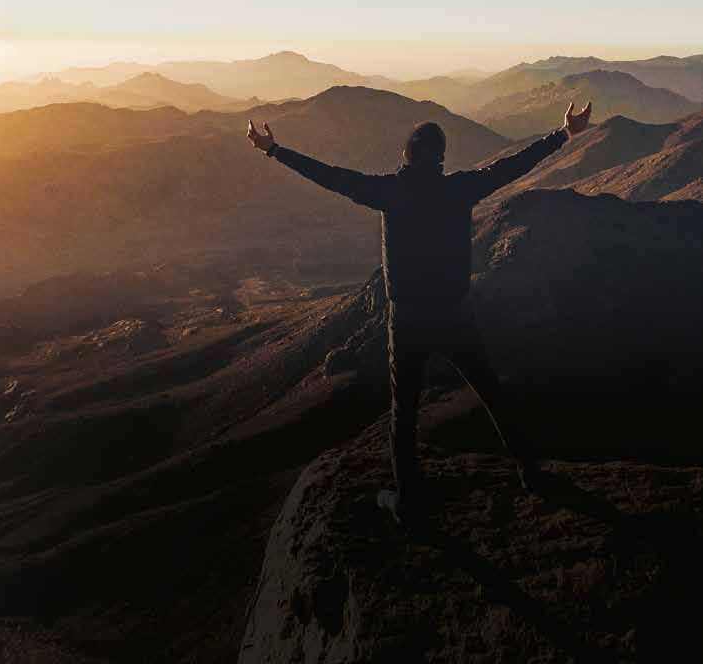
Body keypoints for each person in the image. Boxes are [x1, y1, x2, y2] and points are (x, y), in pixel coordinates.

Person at [247, 99, 592, 526]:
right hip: (455, 315)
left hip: (408, 320)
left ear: (406, 154)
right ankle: (530, 473)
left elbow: (331, 177)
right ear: (441, 157)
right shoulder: (460, 188)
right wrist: (564, 134)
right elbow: (512, 167)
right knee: (491, 391)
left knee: (404, 413)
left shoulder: (389, 191)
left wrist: (274, 150)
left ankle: (408, 501)